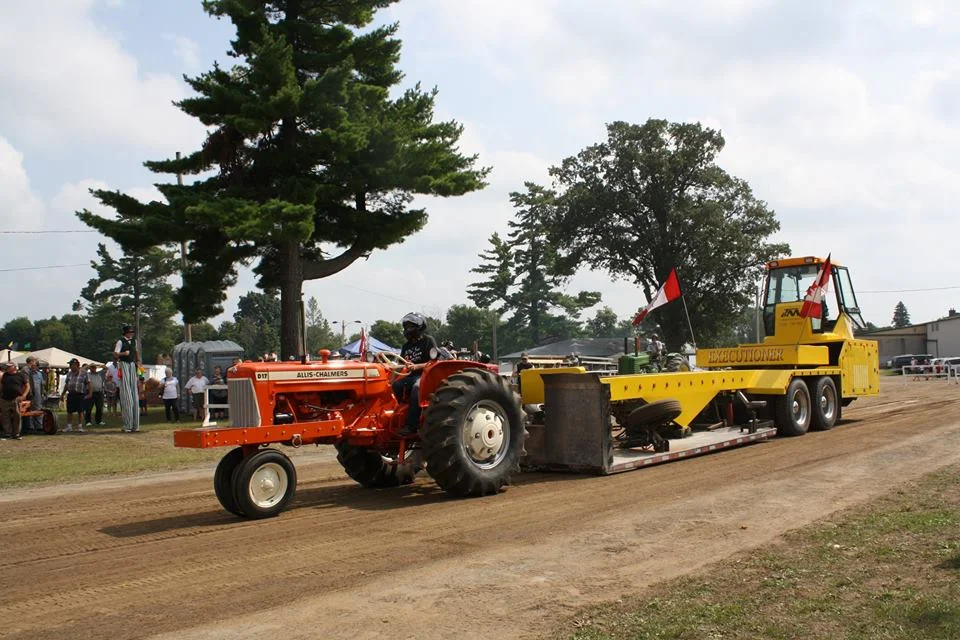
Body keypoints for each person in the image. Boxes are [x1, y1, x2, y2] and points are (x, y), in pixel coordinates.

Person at [392, 312, 438, 437]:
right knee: (396, 386)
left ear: (419, 327)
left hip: (426, 375)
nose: (407, 330)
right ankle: (402, 413)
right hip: (411, 376)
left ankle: (411, 425)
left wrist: (416, 366)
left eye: (410, 327)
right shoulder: (406, 346)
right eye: (406, 327)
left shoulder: (428, 341)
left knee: (417, 388)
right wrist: (391, 380)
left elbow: (434, 362)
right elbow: (400, 364)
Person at [114, 325, 142, 432]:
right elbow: (115, 354)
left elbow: (135, 351)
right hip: (124, 364)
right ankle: (128, 424)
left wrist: (138, 361)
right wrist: (123, 353)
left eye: (132, 332)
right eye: (130, 332)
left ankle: (135, 425)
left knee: (134, 394)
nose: (131, 333)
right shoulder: (120, 342)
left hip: (131, 364)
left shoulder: (133, 341)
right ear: (125, 333)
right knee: (126, 394)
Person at [0, 361, 29, 440]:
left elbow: (27, 386)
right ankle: (7, 433)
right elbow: (2, 385)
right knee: (5, 416)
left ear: (15, 367)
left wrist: (23, 395)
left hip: (16, 398)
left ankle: (16, 433)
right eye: (7, 367)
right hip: (4, 398)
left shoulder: (21, 375)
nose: (7, 368)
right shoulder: (5, 375)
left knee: (17, 416)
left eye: (10, 367)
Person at [60, 358, 88, 433]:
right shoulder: (69, 374)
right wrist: (62, 394)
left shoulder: (84, 373)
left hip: (80, 394)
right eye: (70, 365)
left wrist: (89, 393)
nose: (70, 366)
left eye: (71, 365)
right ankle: (69, 426)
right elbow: (66, 384)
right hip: (71, 394)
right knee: (69, 411)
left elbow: (88, 383)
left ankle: (80, 426)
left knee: (80, 411)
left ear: (76, 365)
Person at [23, 356, 44, 433]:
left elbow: (41, 385)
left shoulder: (39, 374)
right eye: (35, 362)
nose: (36, 365)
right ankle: (30, 427)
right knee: (29, 409)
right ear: (31, 362)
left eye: (37, 365)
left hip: (37, 393)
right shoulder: (26, 370)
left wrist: (42, 393)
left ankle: (39, 426)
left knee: (38, 408)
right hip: (29, 393)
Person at [84, 362, 105, 426]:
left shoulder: (99, 374)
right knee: (88, 407)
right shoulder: (87, 374)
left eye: (94, 367)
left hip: (99, 392)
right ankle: (88, 421)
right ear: (90, 368)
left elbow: (106, 368)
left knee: (99, 407)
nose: (94, 368)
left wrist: (99, 365)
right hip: (90, 392)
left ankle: (99, 420)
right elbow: (82, 370)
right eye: (92, 367)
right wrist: (89, 365)